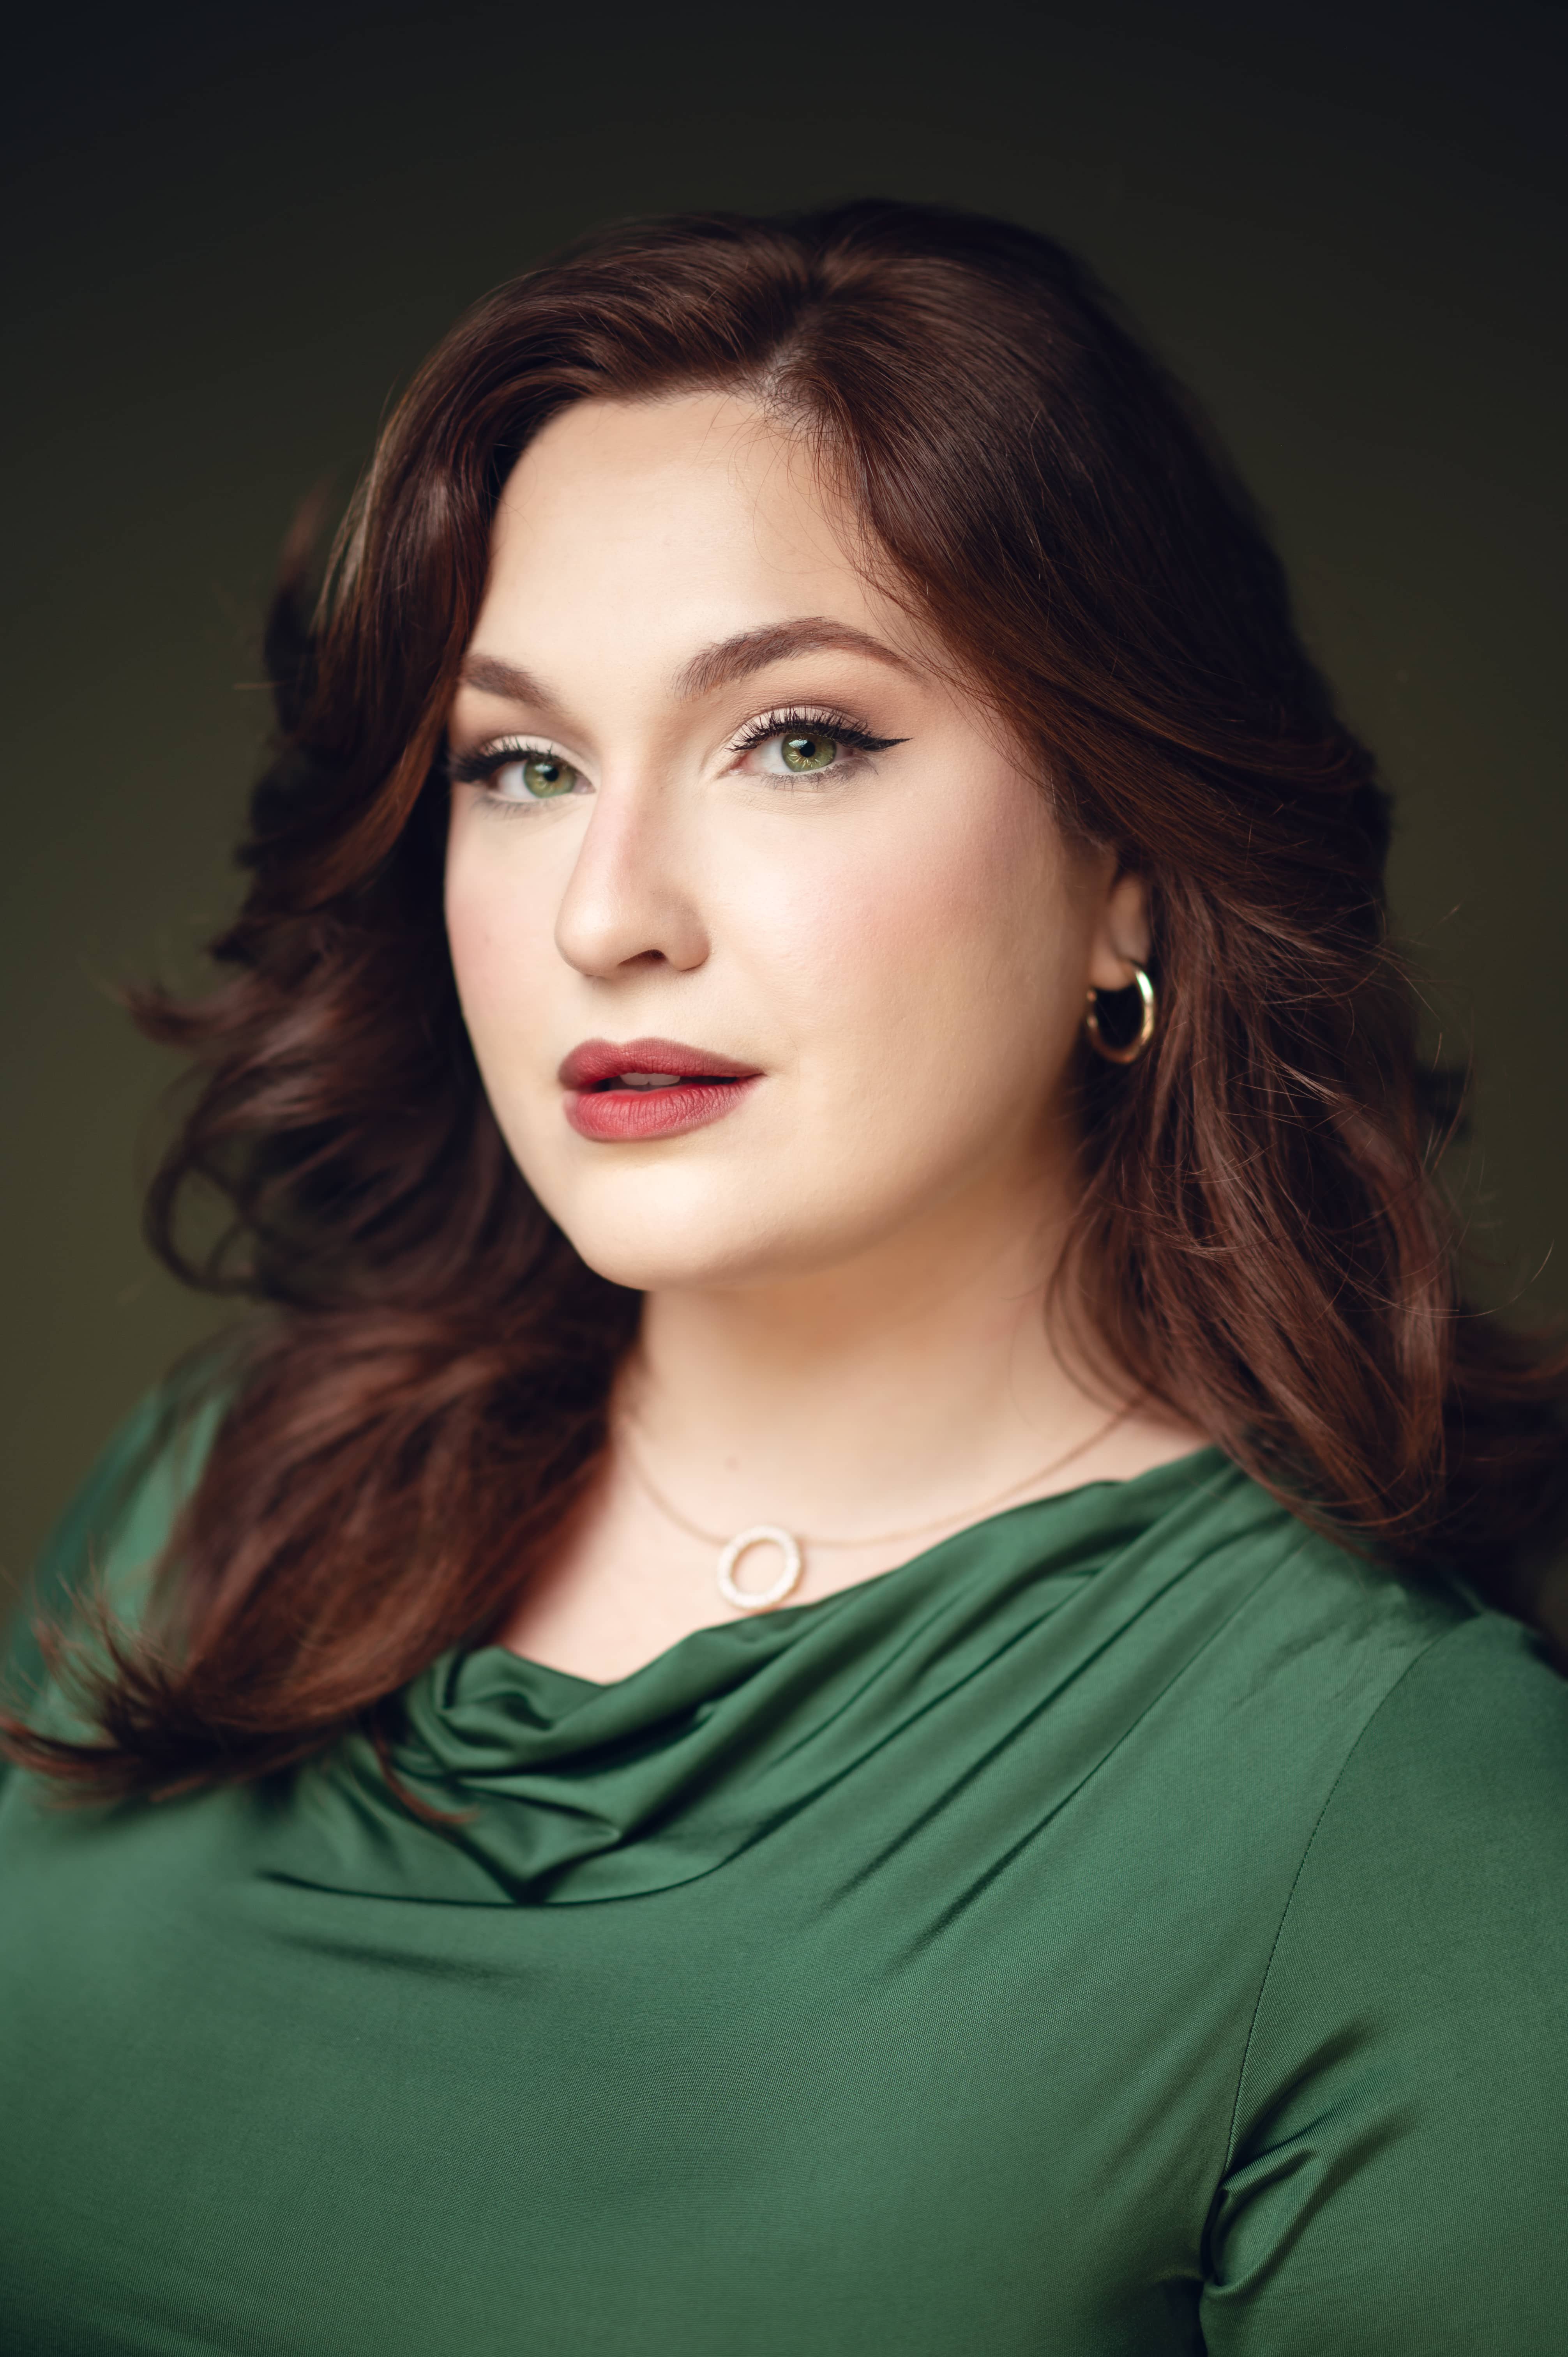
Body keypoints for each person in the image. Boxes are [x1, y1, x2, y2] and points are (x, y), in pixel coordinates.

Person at [1, 200, 1564, 2355]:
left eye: (797, 737)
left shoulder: (1411, 1820)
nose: (606, 913)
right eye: (519, 766)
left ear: (1127, 867)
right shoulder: (234, 1483)